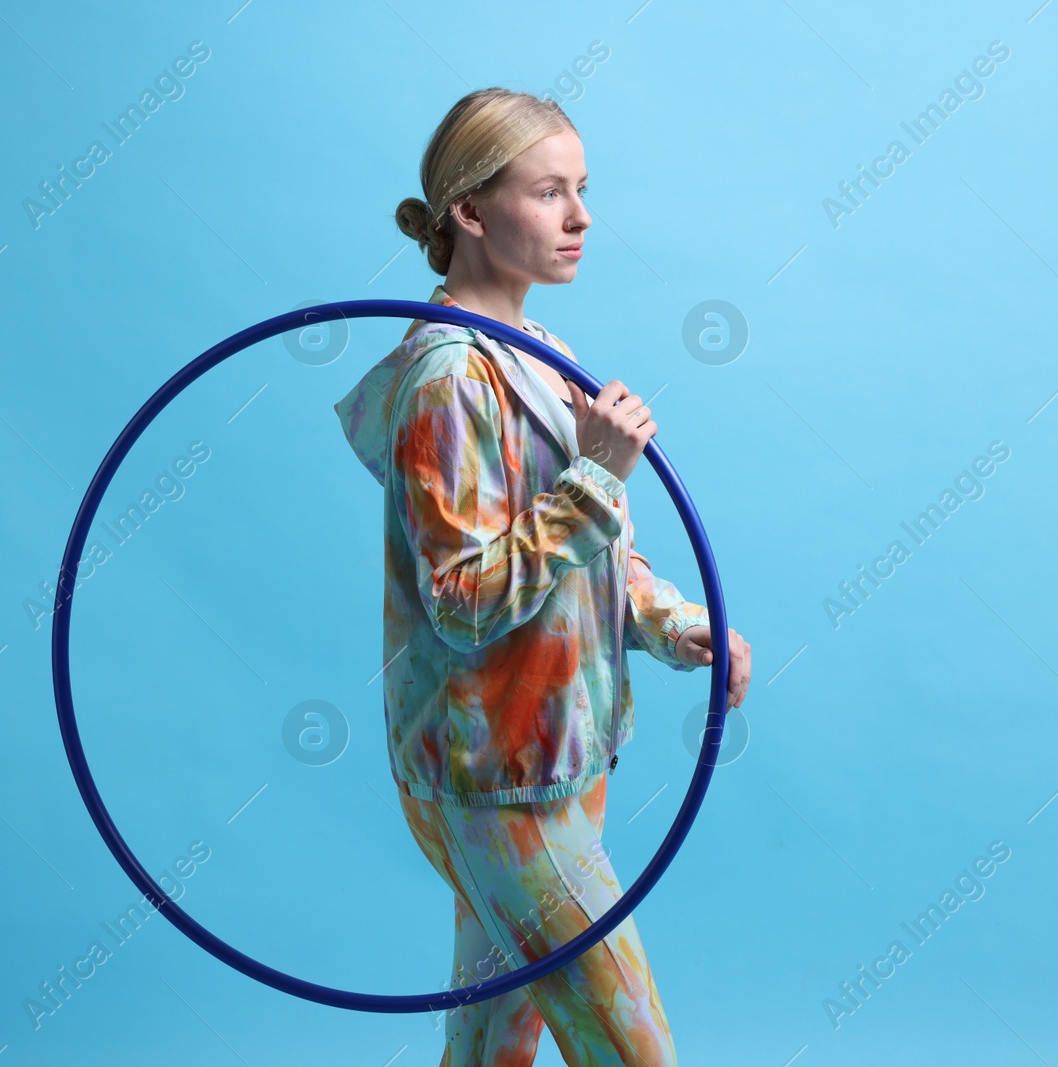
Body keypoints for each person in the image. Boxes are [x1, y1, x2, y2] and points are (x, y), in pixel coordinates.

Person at [332, 87, 753, 1067]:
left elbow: (593, 554)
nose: (582, 216)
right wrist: (598, 472)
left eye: (584, 189)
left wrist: (672, 621)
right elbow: (462, 599)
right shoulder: (447, 379)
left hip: (559, 750)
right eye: (550, 191)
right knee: (631, 1047)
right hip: (493, 775)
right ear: (470, 212)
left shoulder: (542, 355)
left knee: (492, 1042)